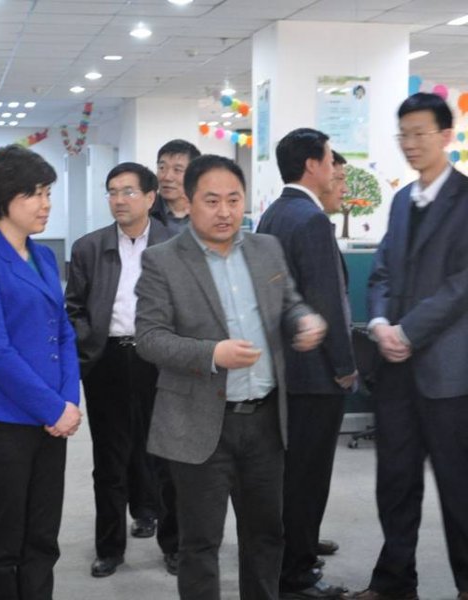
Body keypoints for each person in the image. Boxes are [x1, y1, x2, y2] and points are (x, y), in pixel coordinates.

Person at [135, 154, 327, 600]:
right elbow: (149, 339)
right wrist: (212, 354)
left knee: (266, 535)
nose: (224, 211)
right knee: (201, 542)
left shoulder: (266, 249)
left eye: (234, 199)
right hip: (200, 423)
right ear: (189, 202)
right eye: (212, 201)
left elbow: (289, 301)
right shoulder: (162, 261)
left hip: (264, 421)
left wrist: (302, 318)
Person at [348, 93, 468, 600]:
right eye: (404, 134)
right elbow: (381, 271)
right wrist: (379, 322)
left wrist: (408, 331)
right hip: (396, 371)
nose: (410, 143)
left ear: (446, 136)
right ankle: (395, 582)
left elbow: (461, 285)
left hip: (449, 374)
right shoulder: (400, 200)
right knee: (394, 482)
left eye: (420, 133)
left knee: (458, 486)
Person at [0, 145, 81, 600]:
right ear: (5, 198)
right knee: (2, 544)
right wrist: (52, 407)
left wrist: (69, 401)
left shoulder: (43, 257)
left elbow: (63, 332)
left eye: (48, 193)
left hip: (51, 420)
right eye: (35, 194)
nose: (46, 204)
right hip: (0, 424)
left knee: (42, 538)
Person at [257, 130, 356, 600]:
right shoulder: (312, 220)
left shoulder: (274, 213)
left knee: (289, 474)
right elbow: (326, 301)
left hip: (282, 370)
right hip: (315, 374)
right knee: (308, 477)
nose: (334, 169)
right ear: (313, 165)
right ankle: (298, 573)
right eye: (330, 159)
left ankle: (296, 547)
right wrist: (345, 365)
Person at [65, 162, 172, 577]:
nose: (118, 200)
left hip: (158, 358)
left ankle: (174, 544)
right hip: (107, 359)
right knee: (109, 459)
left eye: (128, 191)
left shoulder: (175, 243)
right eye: (112, 191)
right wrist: (88, 341)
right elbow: (73, 307)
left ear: (150, 197)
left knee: (165, 456)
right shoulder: (89, 247)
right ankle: (109, 548)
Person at [146, 138, 202, 574]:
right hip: (159, 350)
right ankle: (173, 542)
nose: (166, 175)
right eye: (162, 166)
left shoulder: (207, 221)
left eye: (177, 168)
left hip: (204, 355)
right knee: (166, 455)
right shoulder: (148, 223)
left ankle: (199, 535)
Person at [150, 139, 201, 236]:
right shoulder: (145, 211)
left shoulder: (206, 212)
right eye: (162, 168)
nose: (167, 177)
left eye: (177, 170)